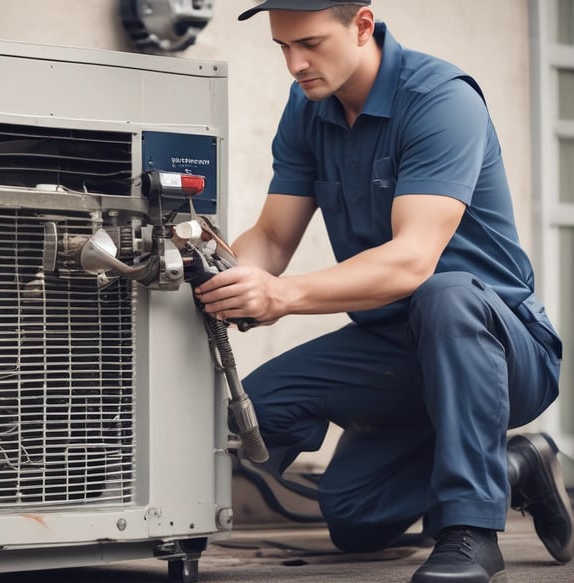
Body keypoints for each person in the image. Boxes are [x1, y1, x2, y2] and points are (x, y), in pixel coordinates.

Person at [194, 1, 574, 582]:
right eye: (283, 48)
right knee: (348, 512)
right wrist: (215, 278)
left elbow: (410, 263)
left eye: (312, 44)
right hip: (396, 349)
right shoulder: (309, 108)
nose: (295, 64)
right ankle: (514, 463)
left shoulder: (441, 99)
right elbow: (271, 237)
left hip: (498, 346)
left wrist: (282, 296)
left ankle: (470, 531)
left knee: (445, 294)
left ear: (363, 25)